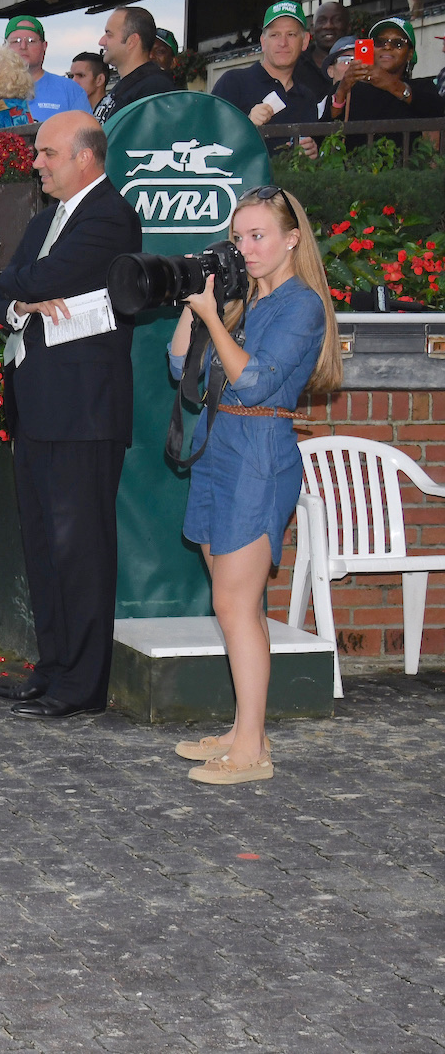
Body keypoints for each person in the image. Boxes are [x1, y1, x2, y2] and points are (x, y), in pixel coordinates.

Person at [164, 186, 339, 783]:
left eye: (258, 236)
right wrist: (196, 305)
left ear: (293, 239)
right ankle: (246, 731)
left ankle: (252, 752)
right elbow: (177, 364)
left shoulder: (302, 306)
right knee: (238, 605)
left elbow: (257, 382)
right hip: (221, 449)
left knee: (234, 604)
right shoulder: (245, 302)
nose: (246, 248)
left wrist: (214, 317)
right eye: (239, 237)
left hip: (259, 454)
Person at [0, 113, 142, 719]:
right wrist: (20, 297)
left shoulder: (108, 215)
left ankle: (83, 685)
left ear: (85, 157)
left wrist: (19, 292)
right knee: (45, 546)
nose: (37, 162)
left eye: (48, 153)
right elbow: (5, 291)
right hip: (40, 406)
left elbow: (37, 278)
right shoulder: (48, 218)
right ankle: (51, 669)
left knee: (81, 550)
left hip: (84, 411)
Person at [210, 1, 329, 141]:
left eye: (291, 34)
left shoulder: (307, 98)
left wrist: (311, 153)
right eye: (274, 35)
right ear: (263, 42)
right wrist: (246, 125)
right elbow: (205, 139)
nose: (283, 43)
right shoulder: (233, 83)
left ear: (305, 41)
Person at [335, 16, 445, 134]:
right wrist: (342, 90)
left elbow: (437, 110)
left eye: (398, 43)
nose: (387, 47)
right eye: (379, 42)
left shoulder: (422, 87)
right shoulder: (352, 86)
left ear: (409, 54)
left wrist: (394, 85)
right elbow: (324, 130)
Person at [4, 15, 93, 123]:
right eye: (16, 41)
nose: (23, 46)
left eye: (31, 41)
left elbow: (89, 135)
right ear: (4, 46)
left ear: (44, 46)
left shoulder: (70, 90)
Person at [96, 5, 175, 118]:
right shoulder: (128, 86)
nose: (101, 41)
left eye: (109, 34)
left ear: (132, 41)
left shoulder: (154, 88)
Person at [310, 0, 352, 72]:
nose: (328, 26)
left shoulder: (360, 62)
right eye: (322, 20)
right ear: (312, 29)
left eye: (336, 20)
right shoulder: (296, 64)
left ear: (348, 28)